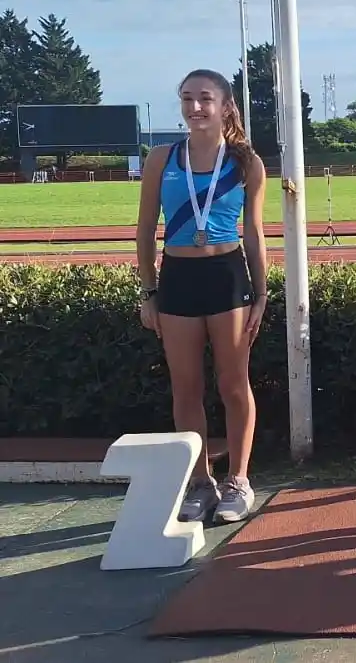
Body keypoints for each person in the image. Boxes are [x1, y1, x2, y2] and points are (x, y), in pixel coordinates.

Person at [135, 68, 268, 525]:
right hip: (177, 279)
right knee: (186, 387)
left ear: (225, 106)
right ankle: (200, 482)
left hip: (226, 277)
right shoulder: (162, 158)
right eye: (187, 98)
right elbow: (144, 231)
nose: (195, 107)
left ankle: (239, 479)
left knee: (233, 384)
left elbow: (254, 234)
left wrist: (261, 294)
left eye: (205, 98)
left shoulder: (246, 163)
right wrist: (148, 292)